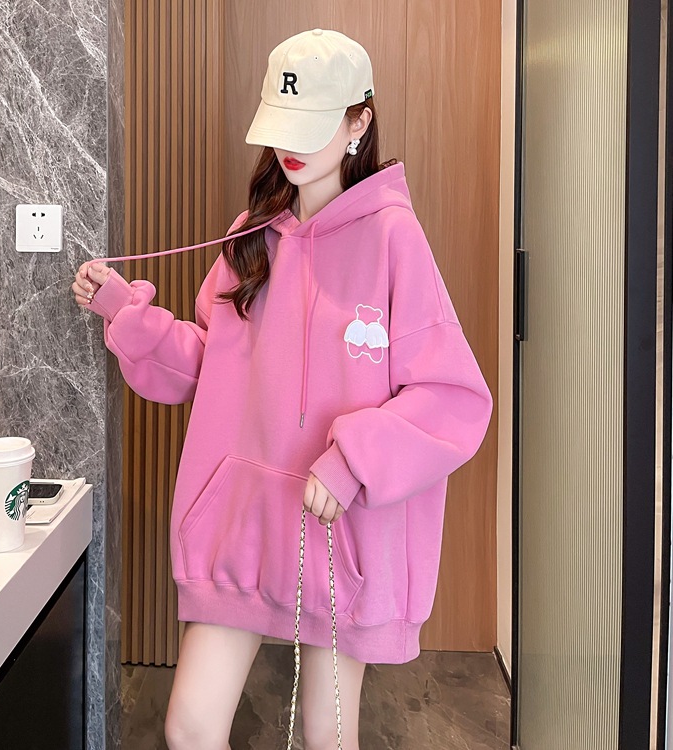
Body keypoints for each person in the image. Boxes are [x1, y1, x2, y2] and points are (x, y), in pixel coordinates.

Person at [72, 28, 492, 750]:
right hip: (243, 524)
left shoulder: (394, 237)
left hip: (340, 536)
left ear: (359, 121)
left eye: (311, 124)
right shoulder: (251, 234)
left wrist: (353, 459)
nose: (290, 147)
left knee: (327, 737)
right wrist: (124, 313)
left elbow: (453, 398)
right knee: (189, 728)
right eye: (282, 125)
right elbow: (209, 365)